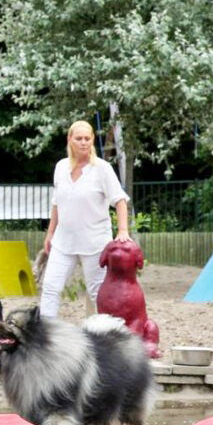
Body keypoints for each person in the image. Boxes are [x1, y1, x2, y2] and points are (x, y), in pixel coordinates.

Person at [40, 120, 131, 318]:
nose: (83, 143)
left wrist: (122, 231)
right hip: (63, 241)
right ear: (69, 140)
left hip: (95, 242)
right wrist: (50, 233)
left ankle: (105, 337)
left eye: (87, 139)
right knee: (50, 287)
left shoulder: (102, 169)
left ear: (92, 141)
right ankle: (45, 335)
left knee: (97, 292)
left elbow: (120, 200)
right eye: (79, 138)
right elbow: (57, 203)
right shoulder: (60, 167)